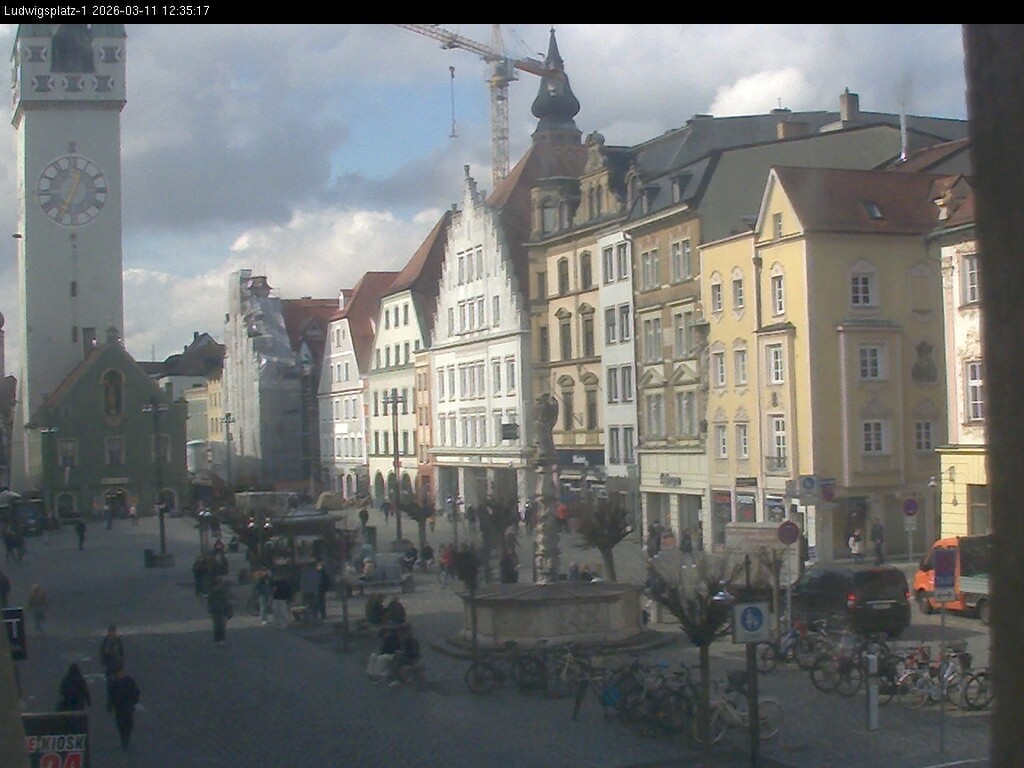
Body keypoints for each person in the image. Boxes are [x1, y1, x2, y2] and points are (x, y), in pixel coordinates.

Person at [107, 669, 140, 749]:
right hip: (127, 705)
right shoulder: (129, 680)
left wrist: (109, 705)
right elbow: (136, 691)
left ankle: (123, 738)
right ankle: (126, 738)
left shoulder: (115, 682)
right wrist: (134, 701)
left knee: (121, 723)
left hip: (119, 706)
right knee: (128, 722)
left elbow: (111, 695)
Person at [99, 624, 126, 705]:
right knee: (110, 683)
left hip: (117, 664)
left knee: (119, 682)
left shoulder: (118, 640)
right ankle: (110, 699)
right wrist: (104, 662)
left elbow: (121, 651)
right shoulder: (105, 641)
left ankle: (118, 698)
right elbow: (102, 652)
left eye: (113, 631)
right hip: (110, 664)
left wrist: (122, 661)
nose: (112, 633)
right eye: (111, 631)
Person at [207, 574, 233, 644]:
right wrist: (210, 610)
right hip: (216, 610)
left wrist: (229, 610)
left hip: (222, 610)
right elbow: (209, 602)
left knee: (222, 625)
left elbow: (227, 601)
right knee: (217, 625)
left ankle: (221, 638)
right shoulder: (213, 593)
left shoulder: (222, 592)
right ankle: (217, 638)